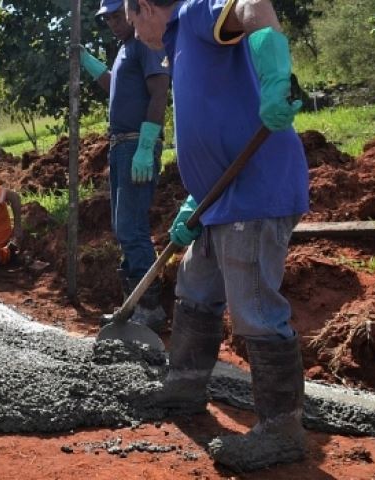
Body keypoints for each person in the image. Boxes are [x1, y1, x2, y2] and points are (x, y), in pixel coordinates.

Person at [124, 0, 309, 471]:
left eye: (132, 22)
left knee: (255, 309)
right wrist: (196, 198)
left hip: (255, 192)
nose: (135, 33)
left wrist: (274, 79)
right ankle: (184, 385)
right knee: (195, 291)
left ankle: (281, 430)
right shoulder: (179, 43)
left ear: (145, 6)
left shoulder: (195, 14)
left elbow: (254, 4)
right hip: (217, 201)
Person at [79, 0, 170, 331]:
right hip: (120, 147)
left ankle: (150, 307)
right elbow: (114, 86)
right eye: (108, 19)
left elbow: (159, 90)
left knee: (132, 227)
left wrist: (147, 144)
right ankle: (133, 305)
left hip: (136, 143)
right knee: (123, 227)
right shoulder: (124, 50)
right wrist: (86, 62)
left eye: (118, 16)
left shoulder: (146, 44)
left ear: (134, 13)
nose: (113, 23)